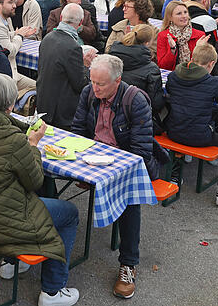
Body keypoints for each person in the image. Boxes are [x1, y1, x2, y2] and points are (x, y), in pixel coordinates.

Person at [0, 73, 80, 306]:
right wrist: (33, 144)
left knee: (14, 192)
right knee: (69, 213)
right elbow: (35, 181)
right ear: (10, 105)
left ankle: (10, 264)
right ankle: (53, 291)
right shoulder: (14, 140)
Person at [70, 54, 160, 299]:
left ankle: (128, 264)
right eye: (92, 81)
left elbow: (140, 152)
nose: (95, 88)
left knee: (129, 200)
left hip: (125, 163)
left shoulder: (136, 100)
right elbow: (78, 130)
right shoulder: (89, 92)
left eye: (100, 84)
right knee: (46, 171)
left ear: (117, 81)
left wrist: (108, 167)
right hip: (91, 158)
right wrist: (80, 160)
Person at [165, 43, 218, 206]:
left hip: (173, 131)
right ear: (211, 64)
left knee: (188, 121)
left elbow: (170, 91)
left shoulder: (174, 76)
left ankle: (175, 176)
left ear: (193, 58)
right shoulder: (213, 82)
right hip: (198, 136)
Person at [38, 4, 92, 129]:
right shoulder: (73, 47)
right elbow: (80, 84)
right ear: (81, 23)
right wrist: (86, 65)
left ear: (61, 18)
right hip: (62, 113)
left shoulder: (47, 38)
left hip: (44, 104)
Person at [0, 0, 38, 90]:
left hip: (8, 74)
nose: (14, 6)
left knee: (39, 86)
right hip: (5, 79)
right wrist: (20, 36)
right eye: (10, 2)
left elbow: (3, 36)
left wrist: (16, 33)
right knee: (40, 88)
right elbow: (10, 51)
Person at [107, 25, 166, 117]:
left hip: (109, 110)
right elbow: (155, 103)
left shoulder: (111, 58)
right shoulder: (151, 69)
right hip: (137, 114)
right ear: (147, 43)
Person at [156, 1, 207, 70]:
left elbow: (203, 64)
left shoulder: (200, 35)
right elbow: (163, 66)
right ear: (170, 18)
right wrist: (172, 50)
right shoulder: (163, 36)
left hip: (194, 73)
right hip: (174, 74)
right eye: (179, 13)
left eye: (185, 12)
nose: (184, 16)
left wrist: (198, 49)